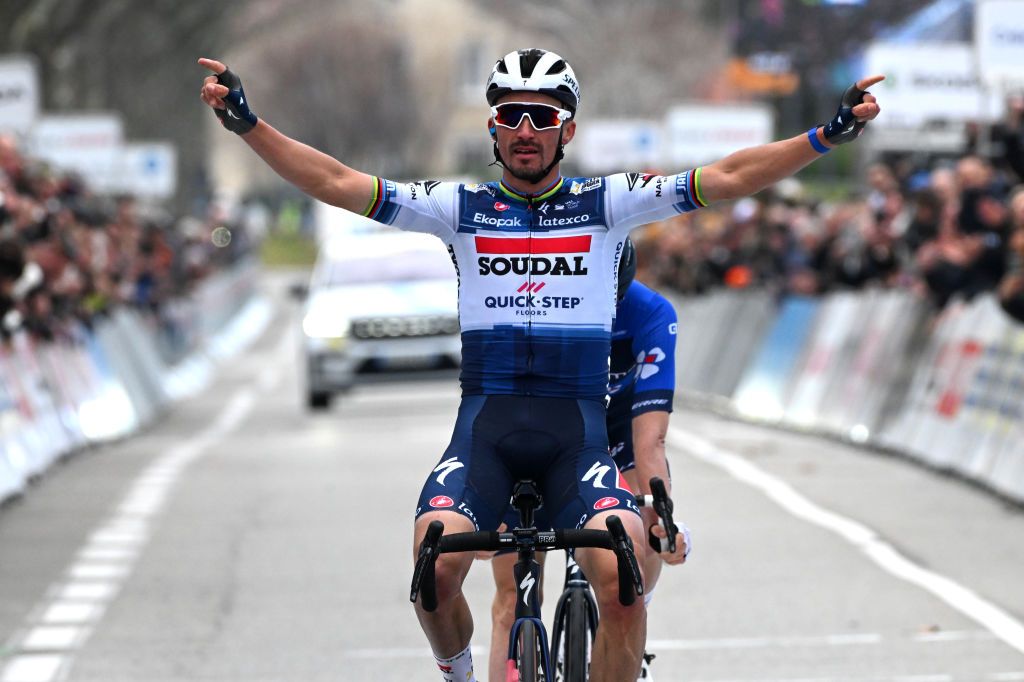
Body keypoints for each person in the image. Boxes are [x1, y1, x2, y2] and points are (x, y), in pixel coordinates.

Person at [198, 48, 882, 681]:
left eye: (544, 117)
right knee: (432, 566)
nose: (526, 129)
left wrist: (824, 137)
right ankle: (460, 673)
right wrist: (249, 126)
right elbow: (338, 181)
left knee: (622, 570)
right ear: (493, 130)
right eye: (509, 116)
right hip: (485, 436)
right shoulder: (458, 209)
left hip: (574, 440)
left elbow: (728, 176)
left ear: (568, 130)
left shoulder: (607, 204)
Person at [486, 237, 688, 681]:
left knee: (645, 527)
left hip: (616, 438)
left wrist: (661, 516)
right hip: (538, 436)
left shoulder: (651, 314)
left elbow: (650, 440)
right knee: (512, 595)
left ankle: (631, 631)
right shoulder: (524, 310)